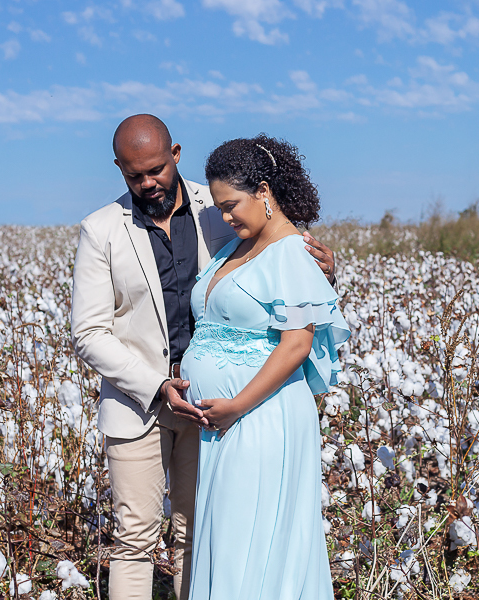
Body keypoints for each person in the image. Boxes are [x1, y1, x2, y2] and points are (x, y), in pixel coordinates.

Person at [71, 115, 337, 600]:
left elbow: (278, 275)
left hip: (215, 414)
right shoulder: (101, 230)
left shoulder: (216, 206)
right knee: (134, 537)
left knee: (202, 532)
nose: (149, 182)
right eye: (135, 175)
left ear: (175, 154)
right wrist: (156, 384)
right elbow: (88, 333)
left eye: (156, 169)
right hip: (139, 406)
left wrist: (322, 273)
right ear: (118, 169)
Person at [180, 134, 349, 600]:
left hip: (261, 417)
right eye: (218, 208)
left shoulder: (292, 249)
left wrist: (235, 405)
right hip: (228, 421)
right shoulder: (238, 246)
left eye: (231, 204)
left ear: (263, 190)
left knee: (250, 542)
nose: (225, 216)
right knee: (231, 539)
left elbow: (297, 344)